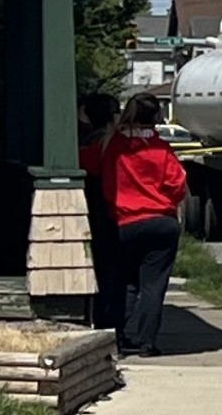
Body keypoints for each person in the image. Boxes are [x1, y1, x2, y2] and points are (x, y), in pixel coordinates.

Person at [103, 93, 189, 356]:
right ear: (156, 117)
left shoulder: (112, 144)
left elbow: (95, 171)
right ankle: (147, 342)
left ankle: (117, 335)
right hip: (161, 222)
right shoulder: (161, 148)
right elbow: (178, 184)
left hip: (124, 222)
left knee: (123, 282)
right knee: (153, 286)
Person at [77, 92, 122, 333]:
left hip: (91, 212)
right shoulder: (112, 144)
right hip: (113, 212)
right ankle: (111, 320)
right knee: (114, 273)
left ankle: (98, 315)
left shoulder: (83, 144)